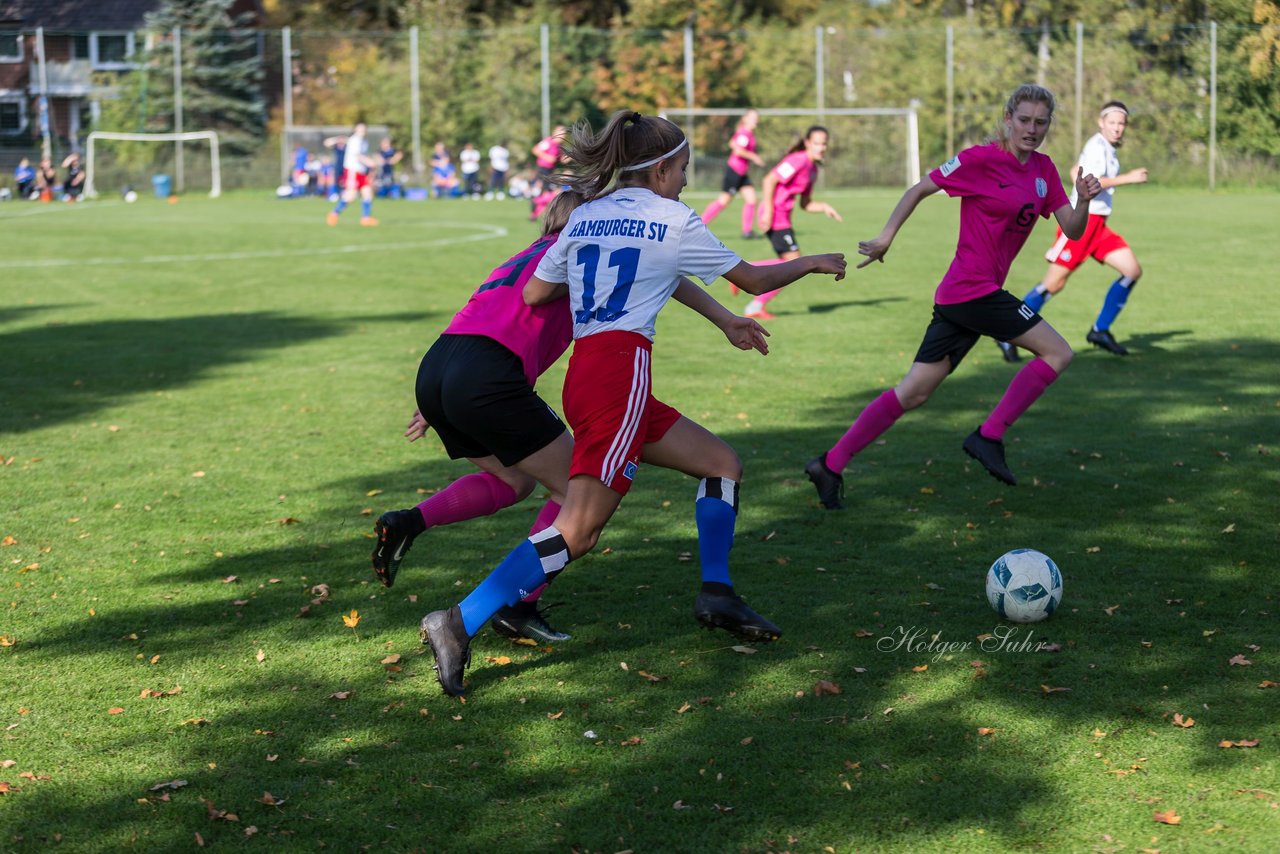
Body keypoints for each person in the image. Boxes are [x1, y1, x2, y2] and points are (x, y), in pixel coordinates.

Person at [419, 109, 846, 697]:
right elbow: (752, 280)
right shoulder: (672, 218)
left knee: (721, 464)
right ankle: (459, 620)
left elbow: (539, 289)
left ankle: (716, 592)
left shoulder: (588, 214)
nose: (688, 181)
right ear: (664, 168)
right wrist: (813, 261)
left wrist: (609, 273)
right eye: (685, 170)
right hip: (620, 376)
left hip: (590, 373)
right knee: (580, 529)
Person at [373, 191, 773, 643]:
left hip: (444, 364)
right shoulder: (580, 256)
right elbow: (654, 269)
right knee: (576, 500)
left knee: (514, 482)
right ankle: (511, 606)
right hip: (489, 376)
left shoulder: (525, 255)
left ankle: (410, 521)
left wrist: (438, 396)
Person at [804, 84, 1101, 510]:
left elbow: (1071, 228)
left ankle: (829, 465)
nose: (1031, 129)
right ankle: (990, 435)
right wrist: (886, 237)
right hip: (971, 292)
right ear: (1008, 118)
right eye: (1024, 120)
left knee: (914, 392)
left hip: (967, 298)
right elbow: (919, 189)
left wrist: (1084, 200)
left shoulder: (1045, 170)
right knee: (1058, 353)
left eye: (1041, 122)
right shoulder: (980, 159)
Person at [999, 100, 1147, 361]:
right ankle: (1005, 332)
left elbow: (1076, 171)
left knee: (1132, 271)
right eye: (1112, 122)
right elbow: (1094, 181)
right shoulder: (1096, 145)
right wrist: (1129, 178)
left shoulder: (1107, 149)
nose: (1117, 128)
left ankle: (1100, 330)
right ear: (1101, 123)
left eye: (1121, 123)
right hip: (1082, 222)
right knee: (1053, 284)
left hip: (1099, 227)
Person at [744, 126, 843, 319]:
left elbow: (806, 204)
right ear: (807, 143)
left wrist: (823, 207)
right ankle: (747, 270)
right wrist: (769, 211)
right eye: (816, 143)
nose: (821, 147)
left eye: (824, 144)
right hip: (774, 216)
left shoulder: (813, 169)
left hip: (783, 218)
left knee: (790, 268)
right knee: (794, 264)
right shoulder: (798, 160)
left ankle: (754, 303)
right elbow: (769, 180)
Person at [701, 109, 766, 240]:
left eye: (756, 117)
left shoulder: (747, 133)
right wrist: (754, 157)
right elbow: (738, 151)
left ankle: (747, 232)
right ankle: (699, 226)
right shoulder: (744, 133)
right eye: (752, 117)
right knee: (723, 201)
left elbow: (733, 143)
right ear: (745, 118)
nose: (756, 120)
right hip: (735, 171)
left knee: (752, 200)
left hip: (742, 173)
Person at [325, 123, 379, 226]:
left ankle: (366, 219)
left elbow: (363, 155)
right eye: (359, 129)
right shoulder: (354, 140)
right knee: (351, 195)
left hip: (361, 172)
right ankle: (334, 214)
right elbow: (358, 156)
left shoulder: (364, 141)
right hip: (352, 171)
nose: (362, 131)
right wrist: (370, 162)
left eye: (363, 129)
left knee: (367, 193)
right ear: (355, 130)